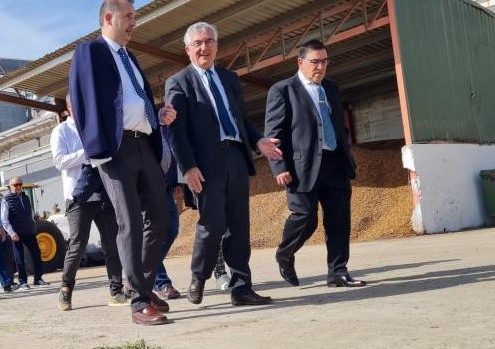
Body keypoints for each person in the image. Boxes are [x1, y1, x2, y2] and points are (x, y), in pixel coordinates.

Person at [68, 0, 177, 325]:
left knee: (161, 216)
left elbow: (132, 100)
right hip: (115, 150)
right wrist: (96, 147)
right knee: (129, 220)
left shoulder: (130, 58)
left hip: (144, 143)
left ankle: (141, 285)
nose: (134, 22)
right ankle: (139, 302)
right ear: (108, 18)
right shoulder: (90, 52)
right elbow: (81, 100)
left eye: (134, 16)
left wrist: (157, 115)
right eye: (129, 16)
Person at [165, 21, 282, 307]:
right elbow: (176, 132)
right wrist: (188, 167)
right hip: (205, 164)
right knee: (212, 223)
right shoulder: (178, 82)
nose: (204, 47)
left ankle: (241, 287)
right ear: (188, 49)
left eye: (209, 41)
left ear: (217, 46)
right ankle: (199, 276)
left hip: (236, 157)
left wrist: (258, 140)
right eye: (197, 43)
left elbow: (241, 118)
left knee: (239, 225)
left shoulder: (229, 78)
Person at [265, 39, 364, 288]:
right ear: (300, 62)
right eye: (315, 62)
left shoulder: (331, 87)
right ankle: (285, 253)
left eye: (324, 61)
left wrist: (346, 148)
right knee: (306, 217)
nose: (320, 67)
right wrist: (279, 167)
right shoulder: (283, 90)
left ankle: (338, 272)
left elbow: (336, 123)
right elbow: (273, 135)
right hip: (301, 168)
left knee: (339, 220)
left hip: (335, 163)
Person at [52, 94, 126, 310]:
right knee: (78, 245)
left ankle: (116, 290)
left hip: (102, 193)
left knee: (112, 244)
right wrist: (86, 153)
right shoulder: (61, 131)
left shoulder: (94, 127)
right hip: (78, 196)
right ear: (69, 107)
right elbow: (59, 161)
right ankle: (66, 288)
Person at [0, 177, 49, 290]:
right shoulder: (6, 200)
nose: (18, 187)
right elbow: (4, 219)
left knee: (36, 253)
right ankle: (23, 282)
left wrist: (33, 225)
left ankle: (38, 278)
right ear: (10, 187)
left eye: (20, 184)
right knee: (19, 257)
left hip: (29, 231)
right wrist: (11, 233)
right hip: (16, 233)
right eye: (15, 185)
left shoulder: (26, 198)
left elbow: (30, 213)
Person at [151, 127, 181, 300]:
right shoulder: (147, 122)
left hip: (166, 186)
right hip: (146, 186)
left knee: (172, 228)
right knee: (152, 234)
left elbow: (172, 152)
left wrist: (176, 181)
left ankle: (142, 271)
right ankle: (161, 283)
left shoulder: (167, 127)